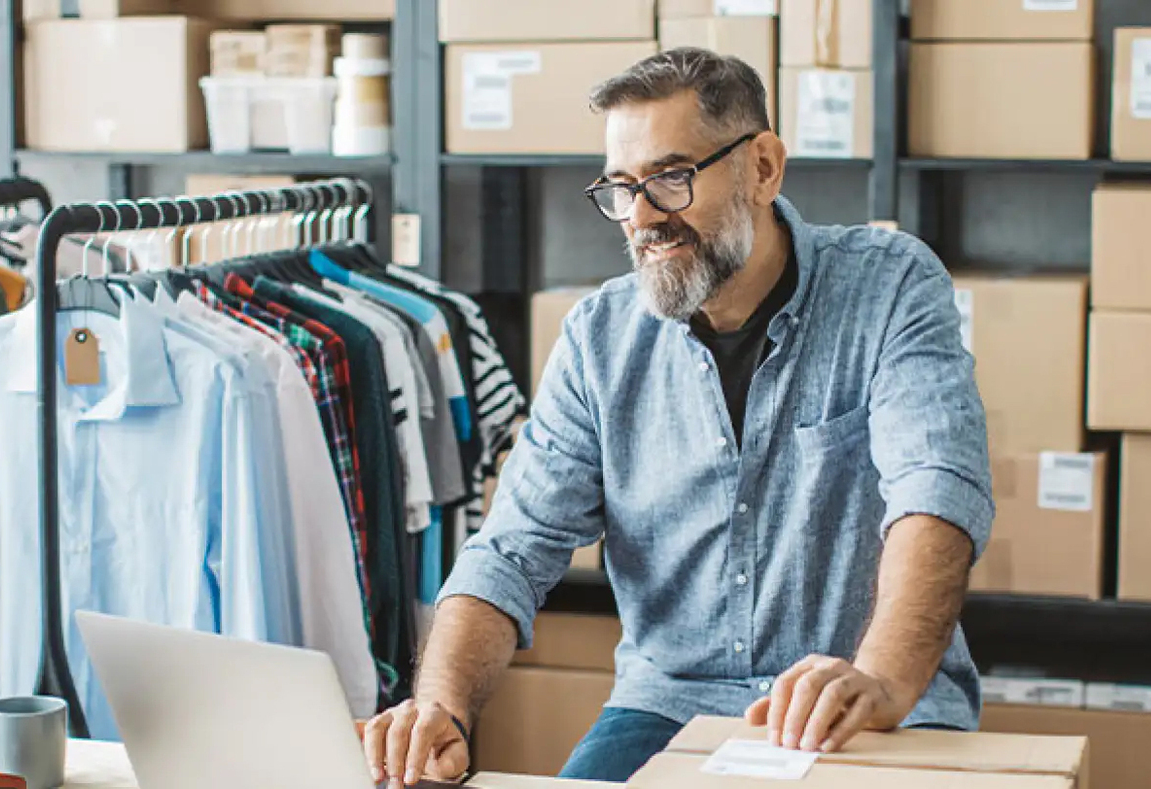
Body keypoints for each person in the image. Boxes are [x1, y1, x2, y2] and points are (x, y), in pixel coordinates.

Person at [362, 47, 993, 785]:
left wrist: (882, 677)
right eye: (621, 189)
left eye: (669, 178)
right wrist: (440, 705)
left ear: (763, 167)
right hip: (668, 709)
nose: (641, 218)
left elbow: (936, 491)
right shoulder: (600, 337)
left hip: (863, 703)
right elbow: (511, 548)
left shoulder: (890, 286)